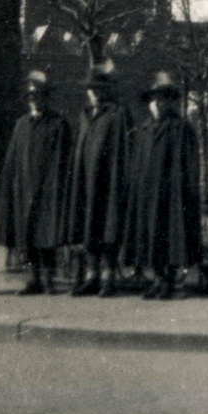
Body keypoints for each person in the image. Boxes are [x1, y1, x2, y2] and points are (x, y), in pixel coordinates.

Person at [122, 72, 202, 300]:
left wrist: (188, 191)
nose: (157, 104)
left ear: (170, 102)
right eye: (153, 100)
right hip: (148, 193)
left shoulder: (181, 128)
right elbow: (138, 163)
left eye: (162, 99)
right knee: (151, 236)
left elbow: (190, 164)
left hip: (172, 193)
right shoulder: (145, 130)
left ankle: (168, 280)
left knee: (170, 236)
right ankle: (157, 278)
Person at [0, 70, 71, 295]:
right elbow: (12, 159)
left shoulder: (57, 124)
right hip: (24, 189)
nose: (34, 100)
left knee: (47, 236)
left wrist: (56, 186)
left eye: (38, 96)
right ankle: (33, 279)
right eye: (31, 97)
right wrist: (10, 187)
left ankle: (48, 279)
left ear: (46, 98)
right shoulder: (21, 125)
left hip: (48, 189)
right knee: (27, 235)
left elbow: (63, 160)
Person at [64, 60, 131, 297]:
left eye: (97, 89)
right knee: (87, 227)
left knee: (107, 227)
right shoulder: (85, 116)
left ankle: (108, 276)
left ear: (106, 90)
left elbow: (123, 151)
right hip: (85, 183)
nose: (93, 93)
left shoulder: (116, 114)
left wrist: (119, 182)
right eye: (90, 89)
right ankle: (92, 276)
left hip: (107, 183)